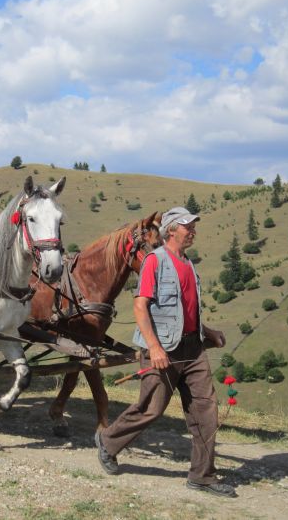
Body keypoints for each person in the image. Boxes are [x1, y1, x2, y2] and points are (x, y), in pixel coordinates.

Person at [95, 206, 236, 498]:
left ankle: (202, 477)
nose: (193, 230)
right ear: (172, 229)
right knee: (152, 408)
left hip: (192, 347)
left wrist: (208, 332)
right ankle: (108, 442)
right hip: (163, 349)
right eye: (188, 226)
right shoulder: (154, 261)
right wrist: (155, 347)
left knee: (206, 410)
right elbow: (140, 305)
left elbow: (185, 310)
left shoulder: (189, 263)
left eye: (193, 226)